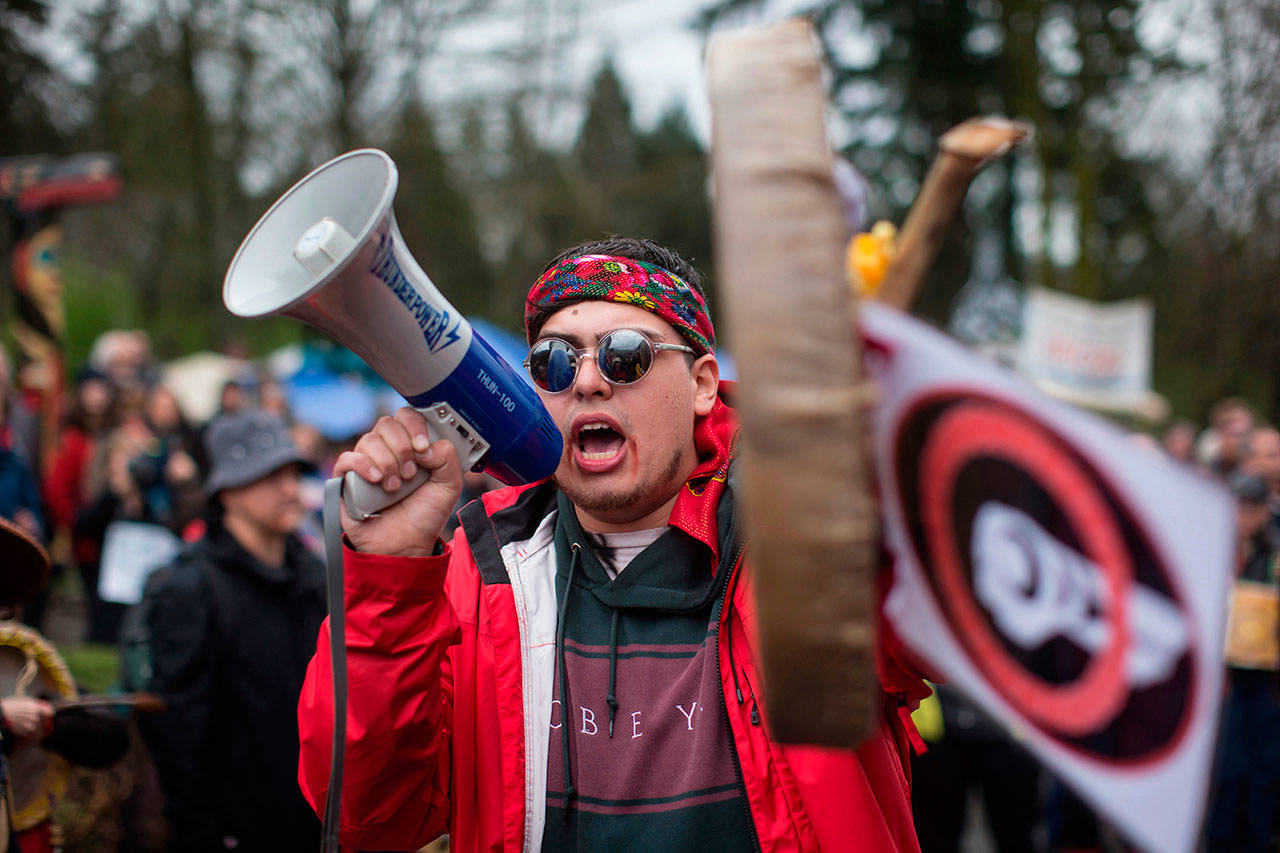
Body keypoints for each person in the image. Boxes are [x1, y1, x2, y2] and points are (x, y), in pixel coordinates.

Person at [297, 238, 927, 851]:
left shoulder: (806, 536)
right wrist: (389, 579)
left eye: (627, 355)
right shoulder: (479, 569)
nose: (589, 382)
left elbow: (956, 625)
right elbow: (369, 819)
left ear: (703, 383)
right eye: (555, 361)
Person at [142, 411, 325, 852]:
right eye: (267, 475)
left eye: (292, 473)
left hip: (313, 820)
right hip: (234, 829)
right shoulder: (190, 587)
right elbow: (178, 731)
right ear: (226, 491)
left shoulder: (315, 577)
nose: (287, 488)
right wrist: (205, 832)